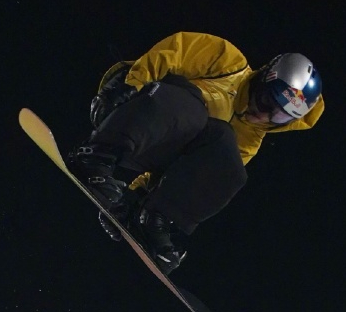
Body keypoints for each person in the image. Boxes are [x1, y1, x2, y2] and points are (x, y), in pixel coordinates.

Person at [67, 31, 324, 274]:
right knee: (198, 112)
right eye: (267, 101)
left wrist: (133, 199)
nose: (263, 115)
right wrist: (129, 85)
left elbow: (190, 172)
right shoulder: (229, 62)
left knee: (230, 165)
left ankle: (152, 218)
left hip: (149, 149)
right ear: (264, 77)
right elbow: (173, 53)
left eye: (279, 117)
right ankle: (96, 155)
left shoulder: (250, 139)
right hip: (129, 108)